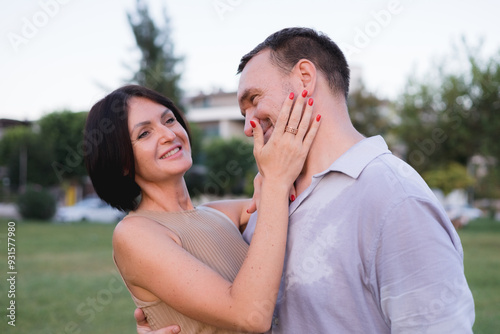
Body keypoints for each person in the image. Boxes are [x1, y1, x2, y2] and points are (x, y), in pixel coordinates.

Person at [144, 27, 475, 333]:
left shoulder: (395, 199)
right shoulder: (274, 193)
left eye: (254, 100)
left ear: (304, 78)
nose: (248, 127)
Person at [84, 84, 320, 333]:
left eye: (169, 120)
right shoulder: (134, 233)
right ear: (121, 162)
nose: (168, 134)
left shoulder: (219, 213)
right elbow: (250, 315)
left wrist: (267, 179)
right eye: (144, 134)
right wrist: (273, 183)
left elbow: (283, 198)